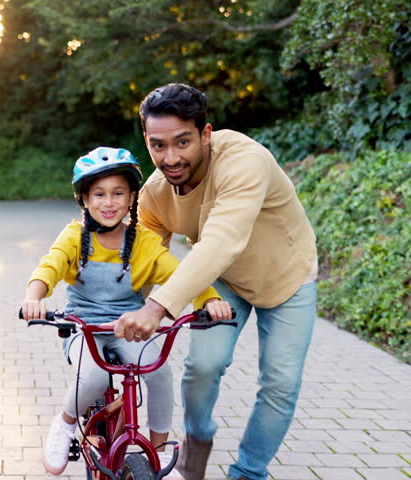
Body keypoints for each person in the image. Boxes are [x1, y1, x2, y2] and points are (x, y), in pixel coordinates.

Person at [113, 83, 318, 480]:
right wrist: (115, 313)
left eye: (183, 142)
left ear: (205, 134)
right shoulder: (155, 194)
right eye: (158, 145)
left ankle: (248, 472)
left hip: (288, 276)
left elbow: (223, 239)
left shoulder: (245, 161)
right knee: (203, 364)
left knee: (280, 382)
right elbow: (142, 262)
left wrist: (157, 309)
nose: (170, 157)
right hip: (223, 280)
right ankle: (198, 440)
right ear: (146, 140)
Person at [20, 147, 232, 476]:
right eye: (99, 194)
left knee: (158, 372)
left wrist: (209, 299)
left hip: (130, 326)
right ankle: (64, 425)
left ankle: (159, 449)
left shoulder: (143, 242)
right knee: (92, 375)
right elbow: (50, 266)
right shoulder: (75, 236)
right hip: (84, 327)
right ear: (85, 200)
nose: (109, 202)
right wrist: (34, 297)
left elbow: (179, 274)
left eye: (118, 193)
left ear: (132, 196)